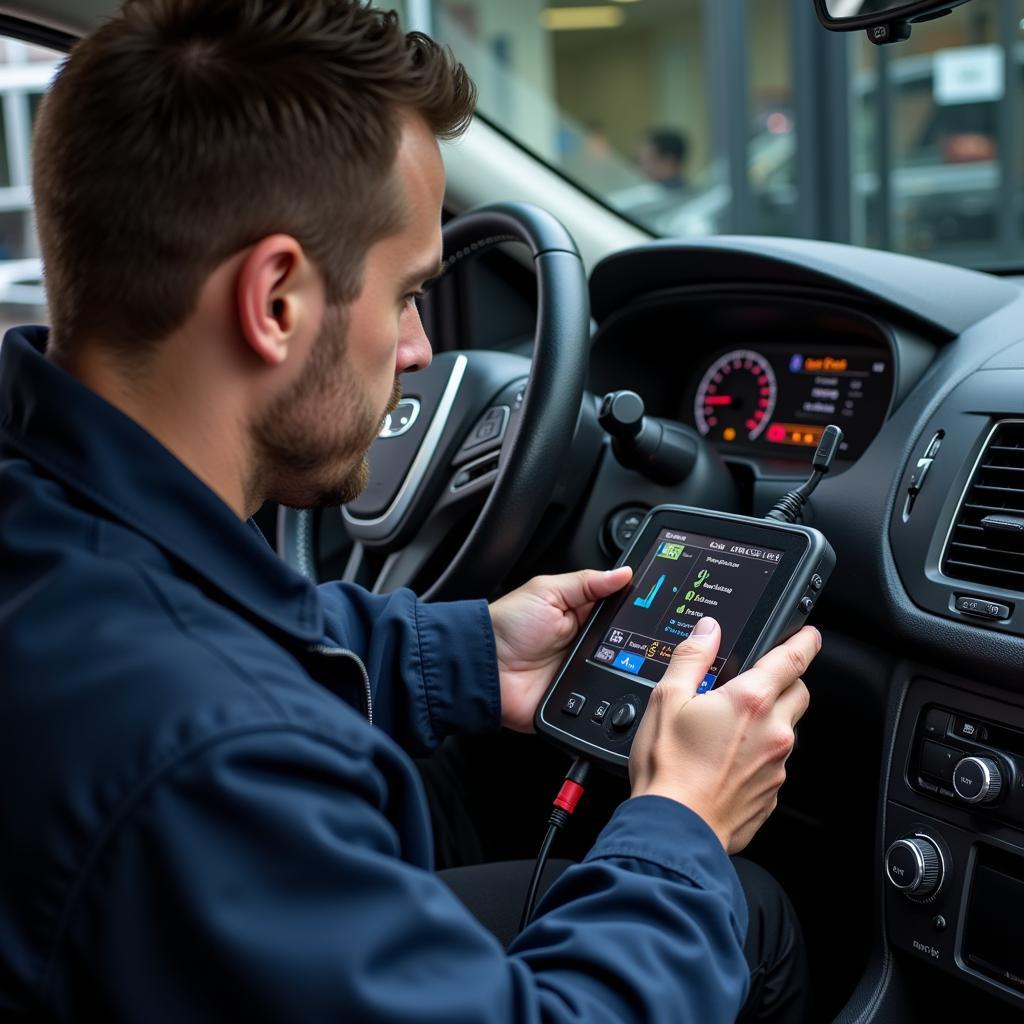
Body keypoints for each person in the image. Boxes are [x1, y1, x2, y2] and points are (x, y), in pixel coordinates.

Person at [0, 2, 818, 1021]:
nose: (424, 350)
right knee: (745, 914)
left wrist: (474, 652)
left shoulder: (40, 504)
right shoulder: (207, 758)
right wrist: (680, 820)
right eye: (405, 295)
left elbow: (206, 613)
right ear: (276, 302)